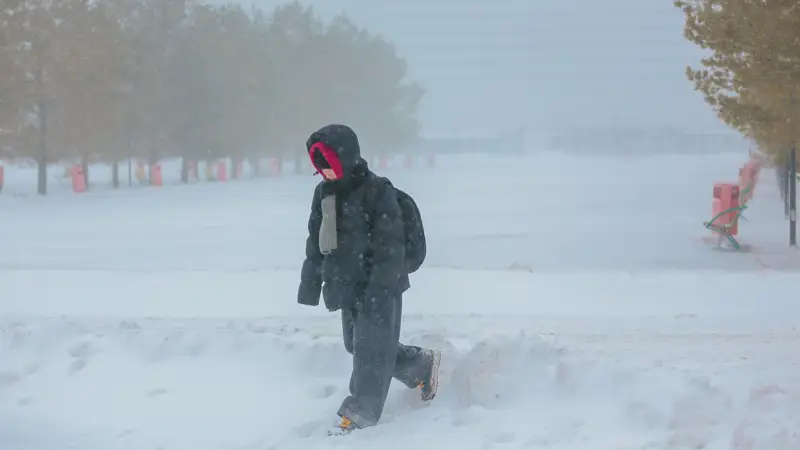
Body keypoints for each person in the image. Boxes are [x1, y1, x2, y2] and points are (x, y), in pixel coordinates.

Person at [297, 124, 441, 433]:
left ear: (345, 159)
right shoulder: (324, 193)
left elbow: (391, 247)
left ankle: (361, 411)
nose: (326, 174)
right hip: (345, 285)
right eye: (320, 168)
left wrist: (380, 288)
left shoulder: (377, 192)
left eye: (330, 166)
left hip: (380, 285)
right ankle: (421, 365)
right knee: (356, 344)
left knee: (371, 349)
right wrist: (310, 282)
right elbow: (316, 239)